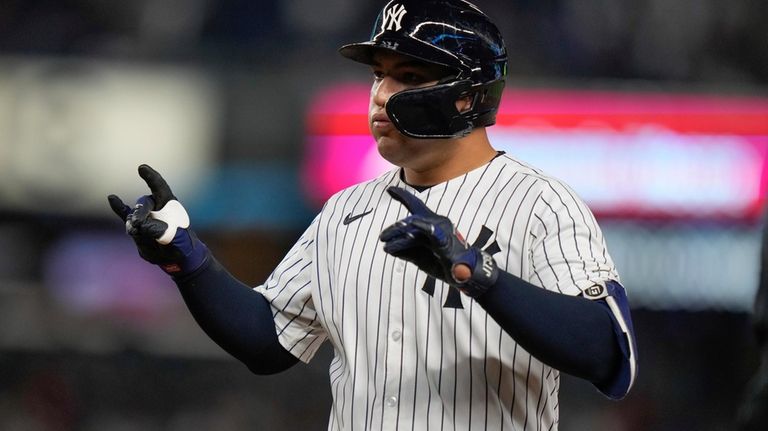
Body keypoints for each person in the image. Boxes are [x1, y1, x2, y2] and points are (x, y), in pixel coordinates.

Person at [108, 1, 637, 429]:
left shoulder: (540, 203)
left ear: (466, 97)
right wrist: (188, 262)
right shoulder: (346, 210)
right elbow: (269, 341)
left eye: (407, 77)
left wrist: (480, 276)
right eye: (379, 75)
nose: (381, 96)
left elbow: (610, 353)